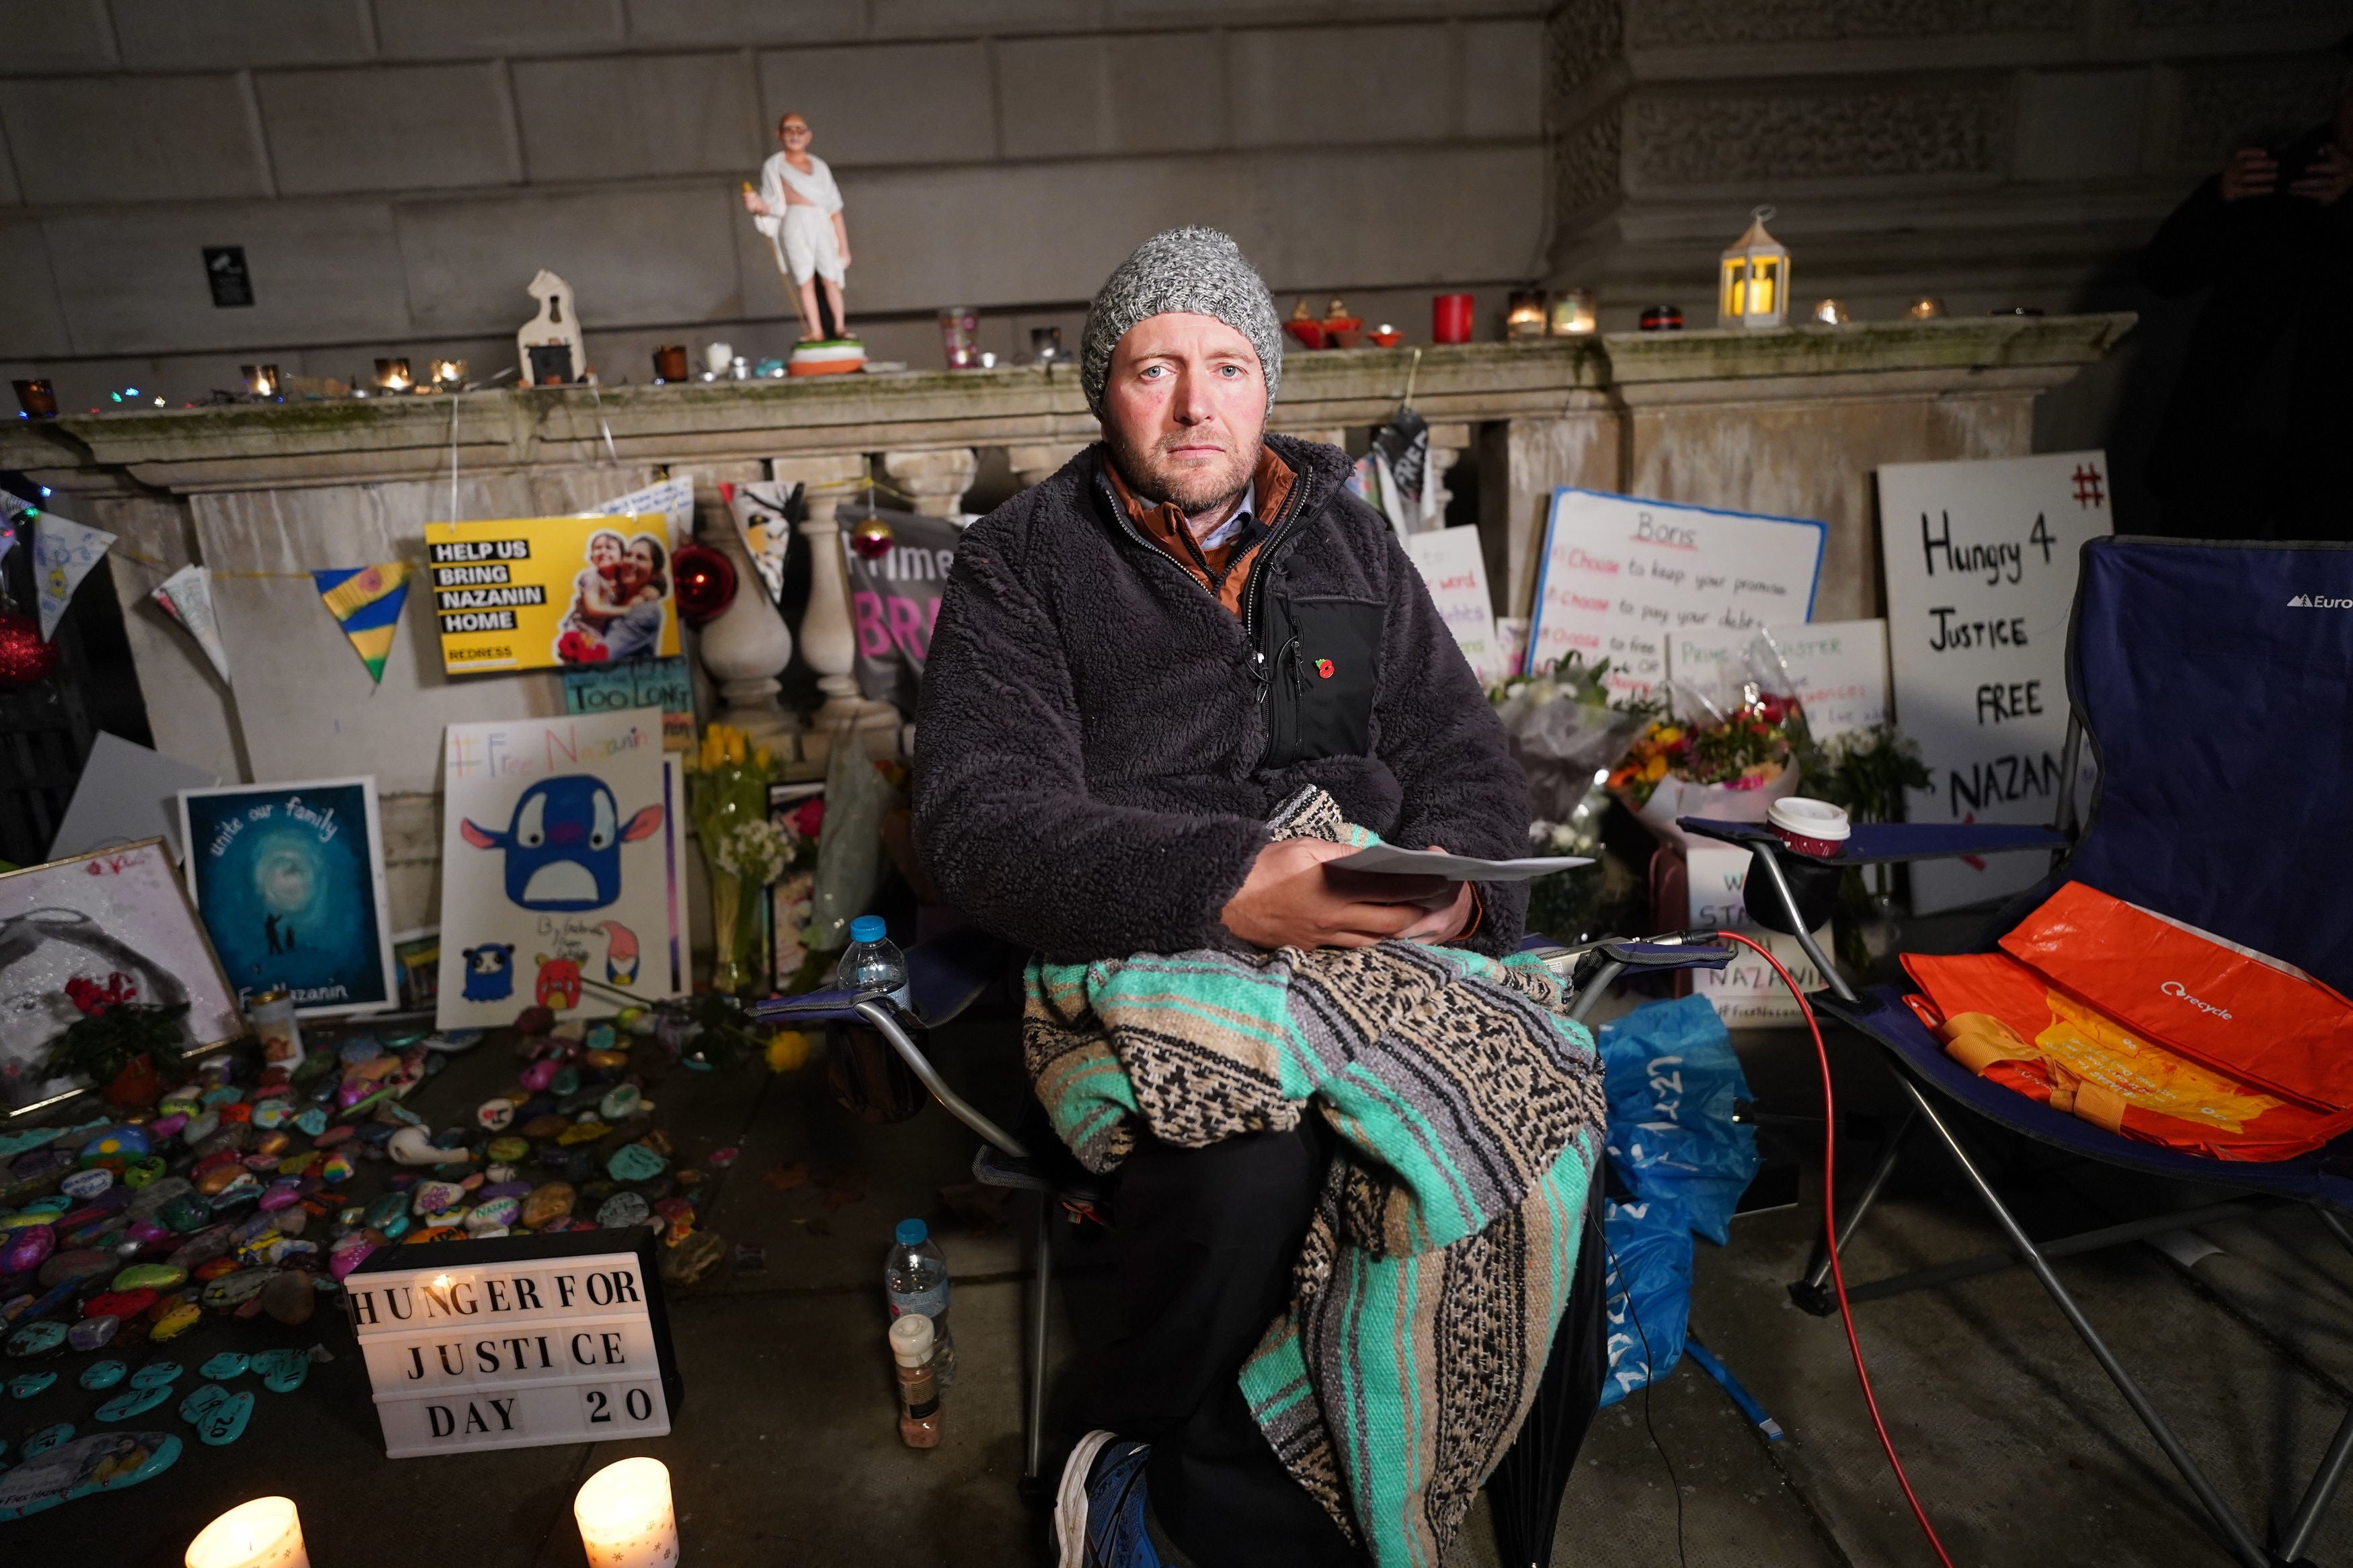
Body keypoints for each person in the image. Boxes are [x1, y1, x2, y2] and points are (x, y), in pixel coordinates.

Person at [913, 229, 1540, 1565]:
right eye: (1155, 368)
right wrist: (1228, 885)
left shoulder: (1352, 541)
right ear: (1102, 389)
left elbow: (1469, 764)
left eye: (1229, 364)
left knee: (1524, 1129)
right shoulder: (1021, 561)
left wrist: (1450, 896)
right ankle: (1148, 1454)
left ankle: (1409, 1478)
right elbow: (980, 821)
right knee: (1250, 1167)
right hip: (1136, 945)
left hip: (1371, 939)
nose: (1197, 403)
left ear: (1268, 387)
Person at [2139, 41, 2353, 540]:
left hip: (2331, 465)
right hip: (2230, 438)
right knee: (2197, 587)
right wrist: (2218, 198)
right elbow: (2164, 273)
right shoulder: (2277, 177)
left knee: (2311, 606)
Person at [743, 113, 852, 342]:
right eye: (789, 130)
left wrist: (844, 247)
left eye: (799, 130)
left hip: (821, 222)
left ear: (809, 136)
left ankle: (840, 327)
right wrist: (756, 204)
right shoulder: (774, 166)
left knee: (830, 277)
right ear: (779, 134)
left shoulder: (820, 167)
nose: (794, 135)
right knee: (805, 279)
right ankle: (816, 331)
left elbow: (834, 208)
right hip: (794, 221)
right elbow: (773, 205)